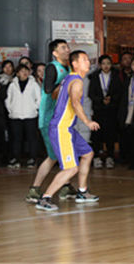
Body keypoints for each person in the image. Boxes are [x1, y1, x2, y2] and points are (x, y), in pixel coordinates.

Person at [35, 51, 100, 211]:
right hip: (61, 129)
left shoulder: (68, 78)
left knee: (88, 154)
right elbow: (76, 103)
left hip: (67, 128)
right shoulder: (76, 81)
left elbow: (55, 94)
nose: (88, 62)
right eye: (84, 59)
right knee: (71, 168)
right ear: (75, 64)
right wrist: (87, 121)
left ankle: (82, 192)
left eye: (87, 59)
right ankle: (45, 198)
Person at [25, 39, 77, 203]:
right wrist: (66, 83)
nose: (67, 50)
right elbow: (48, 89)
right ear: (55, 53)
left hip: (62, 119)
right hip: (49, 119)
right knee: (54, 155)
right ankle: (34, 189)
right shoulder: (52, 67)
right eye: (63, 48)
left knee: (63, 153)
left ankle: (66, 186)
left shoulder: (69, 68)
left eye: (67, 47)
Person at [89, 55, 123, 169]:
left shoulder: (116, 76)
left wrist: (111, 99)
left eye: (108, 63)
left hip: (112, 109)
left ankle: (110, 157)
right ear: (100, 65)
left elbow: (119, 92)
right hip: (98, 109)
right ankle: (96, 157)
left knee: (110, 134)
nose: (106, 66)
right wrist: (101, 100)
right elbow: (91, 93)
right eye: (103, 63)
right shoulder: (94, 76)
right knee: (96, 134)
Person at [5, 64, 41, 169]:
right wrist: (11, 109)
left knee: (32, 138)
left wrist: (34, 108)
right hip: (15, 116)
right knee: (16, 139)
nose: (24, 73)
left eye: (26, 70)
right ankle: (16, 158)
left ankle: (32, 158)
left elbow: (39, 99)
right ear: (17, 73)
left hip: (30, 115)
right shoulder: (12, 85)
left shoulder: (34, 84)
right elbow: (8, 99)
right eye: (21, 71)